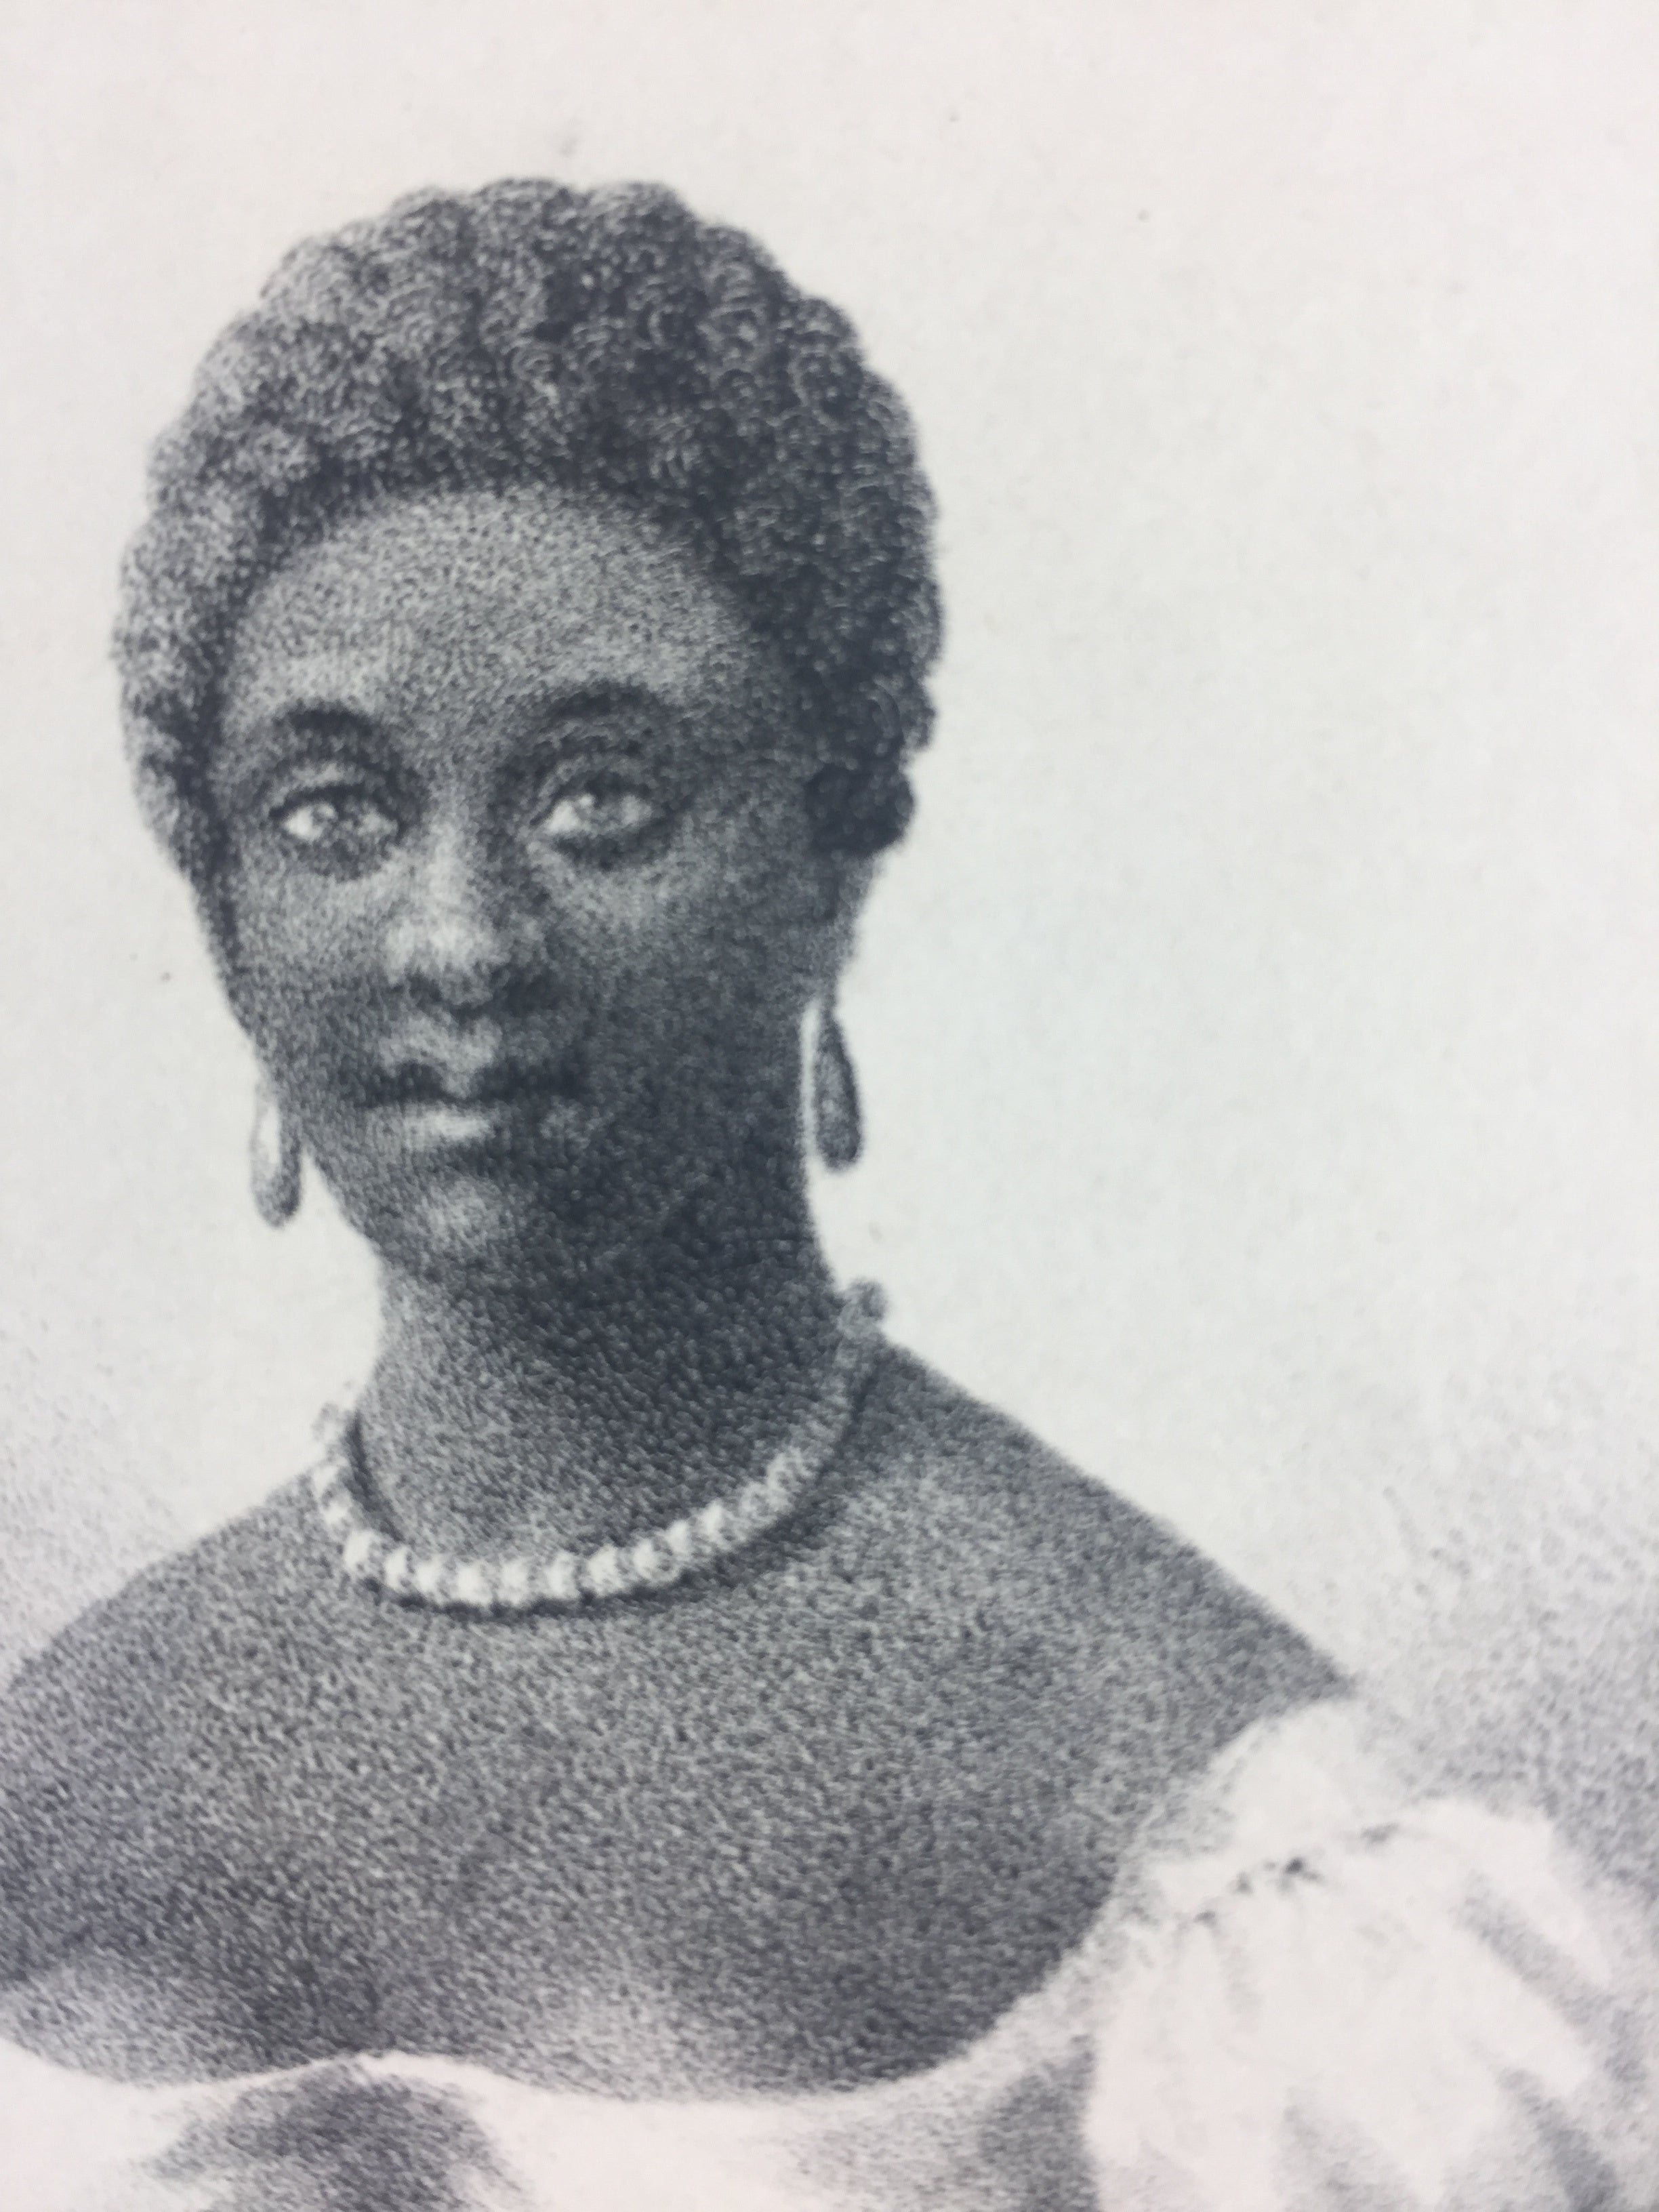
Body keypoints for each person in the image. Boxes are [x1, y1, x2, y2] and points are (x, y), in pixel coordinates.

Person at [0, 178, 1653, 2212]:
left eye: (600, 796)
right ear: (228, 922)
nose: (461, 939)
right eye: (334, 811)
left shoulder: (1232, 1871)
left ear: (831, 862)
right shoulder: (52, 1757)